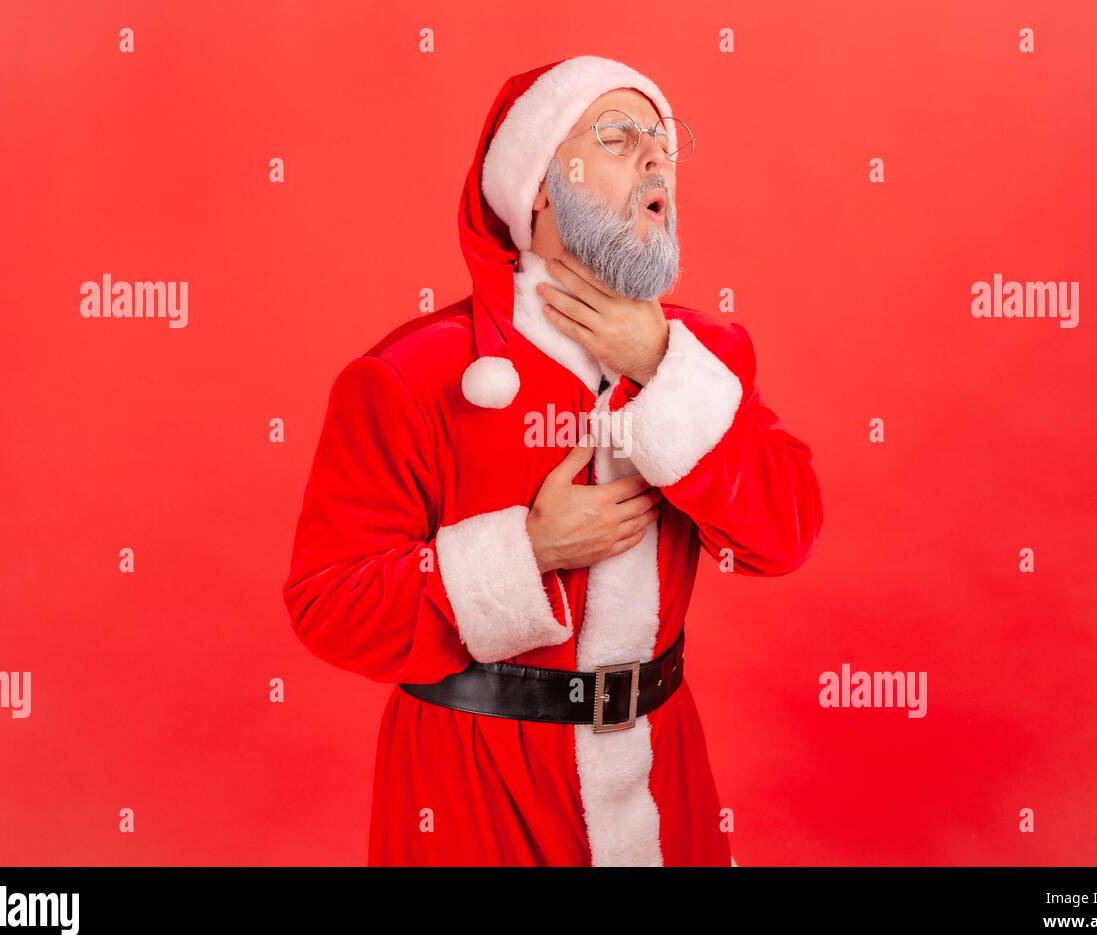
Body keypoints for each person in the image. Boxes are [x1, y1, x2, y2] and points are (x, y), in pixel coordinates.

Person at [281, 54, 824, 866]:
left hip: (662, 775)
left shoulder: (704, 361)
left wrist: (662, 368)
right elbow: (330, 605)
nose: (655, 156)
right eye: (617, 135)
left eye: (665, 142)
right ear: (538, 183)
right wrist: (525, 553)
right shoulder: (411, 376)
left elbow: (785, 535)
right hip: (471, 785)